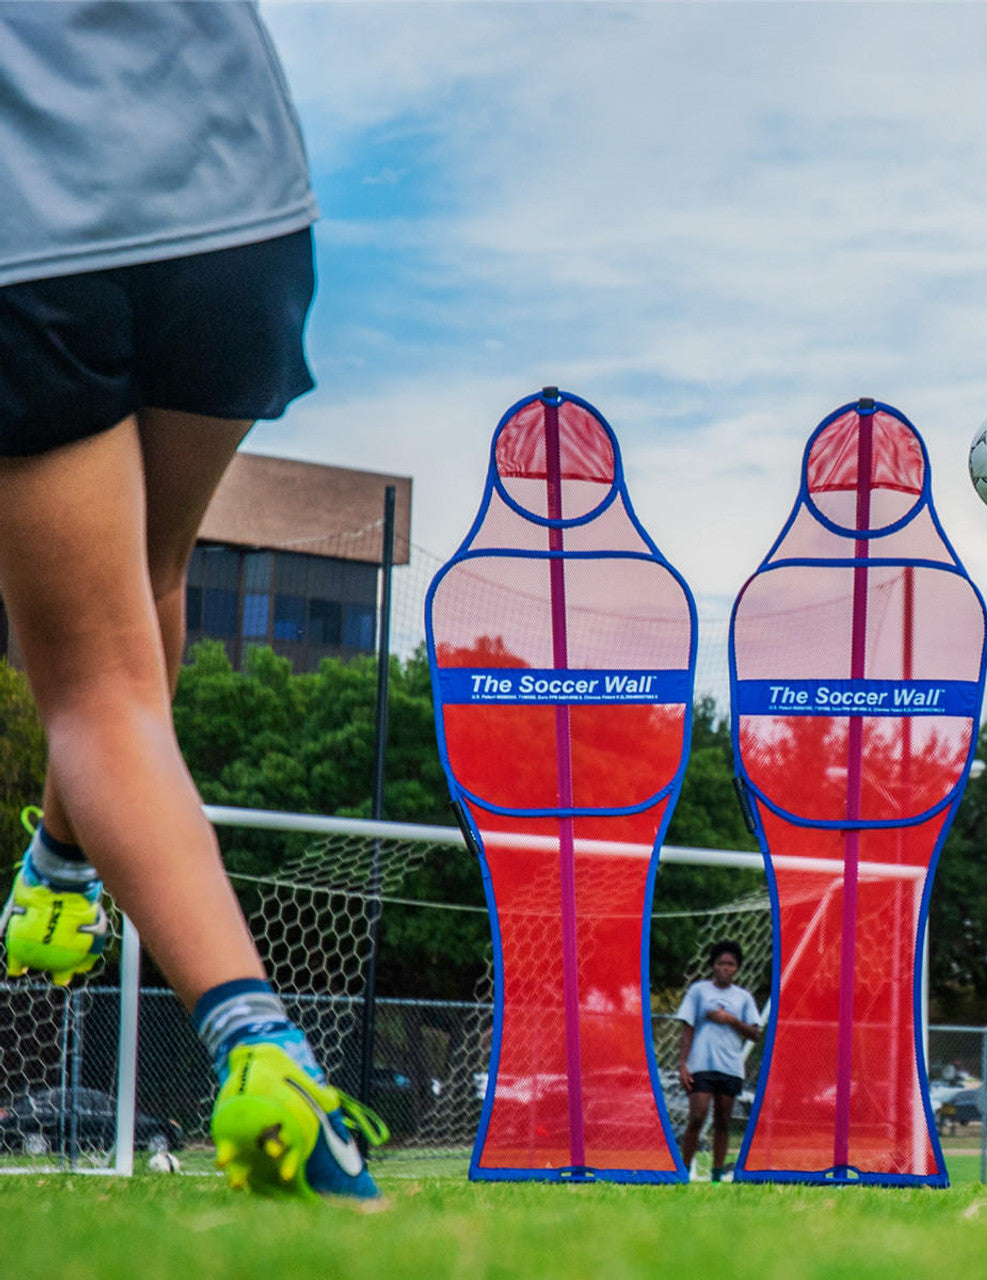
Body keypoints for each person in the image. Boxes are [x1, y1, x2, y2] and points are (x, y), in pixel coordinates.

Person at [0, 2, 385, 1200]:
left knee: (95, 683)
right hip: (239, 217)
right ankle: (62, 865)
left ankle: (259, 1043)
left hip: (33, 237)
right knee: (151, 578)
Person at [676, 939, 762, 1182]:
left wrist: (731, 1020)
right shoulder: (699, 991)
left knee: (723, 1120)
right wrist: (683, 1064)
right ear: (713, 965)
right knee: (697, 1116)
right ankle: (683, 1170)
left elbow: (755, 1033)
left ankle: (716, 1173)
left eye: (731, 964)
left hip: (730, 1066)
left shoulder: (743, 998)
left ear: (737, 968)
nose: (725, 968)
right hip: (701, 1064)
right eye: (721, 963)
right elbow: (688, 1027)